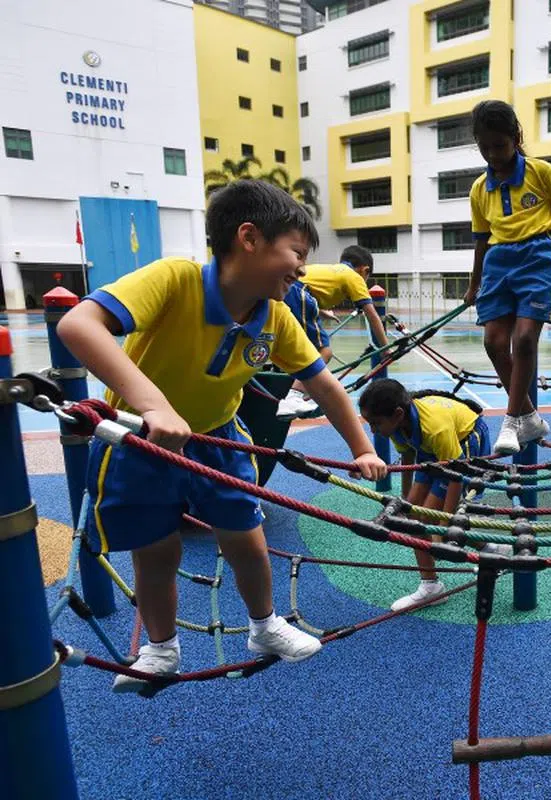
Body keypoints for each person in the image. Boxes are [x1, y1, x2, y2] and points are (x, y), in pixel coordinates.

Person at [56, 179, 388, 692]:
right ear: (249, 238)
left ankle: (264, 626)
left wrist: (362, 448)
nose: (302, 269)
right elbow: (79, 324)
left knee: (246, 540)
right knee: (155, 551)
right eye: (296, 252)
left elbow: (326, 388)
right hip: (141, 440)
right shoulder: (176, 279)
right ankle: (160, 649)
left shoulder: (276, 315)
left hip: (216, 439)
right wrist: (154, 406)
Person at [464, 99, 551, 455]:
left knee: (525, 339)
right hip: (498, 263)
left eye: (498, 145)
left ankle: (511, 421)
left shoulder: (541, 172)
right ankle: (530, 417)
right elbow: (482, 239)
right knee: (493, 342)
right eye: (484, 147)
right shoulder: (479, 190)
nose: (492, 154)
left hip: (538, 256)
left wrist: (545, 241)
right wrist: (474, 284)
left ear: (516, 138)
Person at [357, 379, 509, 611]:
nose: (373, 430)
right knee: (413, 517)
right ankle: (492, 549)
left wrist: (446, 524)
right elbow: (409, 461)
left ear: (397, 414)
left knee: (426, 522)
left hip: (465, 441)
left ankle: (431, 587)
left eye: (375, 423)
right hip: (433, 451)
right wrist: (405, 502)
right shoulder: (396, 427)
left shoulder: (435, 428)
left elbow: (455, 474)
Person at [277, 245, 392, 417]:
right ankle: (294, 396)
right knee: (324, 351)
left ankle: (299, 388)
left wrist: (324, 313)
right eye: (367, 277)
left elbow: (310, 286)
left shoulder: (331, 270)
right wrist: (386, 349)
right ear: (364, 270)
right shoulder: (353, 276)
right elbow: (372, 315)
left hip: (283, 290)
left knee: (297, 348)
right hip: (298, 293)